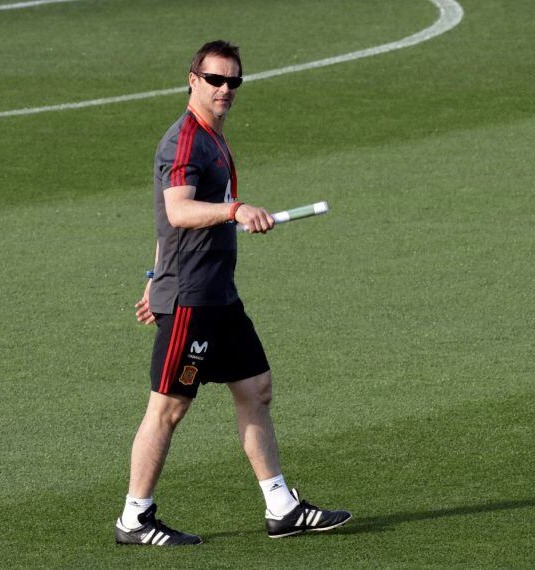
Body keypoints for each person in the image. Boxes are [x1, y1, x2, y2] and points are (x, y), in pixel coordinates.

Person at [114, 40, 351, 546]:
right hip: (191, 303)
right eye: (216, 79)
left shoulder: (214, 137)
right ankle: (134, 518)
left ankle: (281, 507)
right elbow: (177, 211)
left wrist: (153, 277)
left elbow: (166, 230)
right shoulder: (183, 143)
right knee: (170, 406)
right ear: (192, 79)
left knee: (255, 389)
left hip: (219, 296)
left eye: (234, 81)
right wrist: (235, 211)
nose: (225, 89)